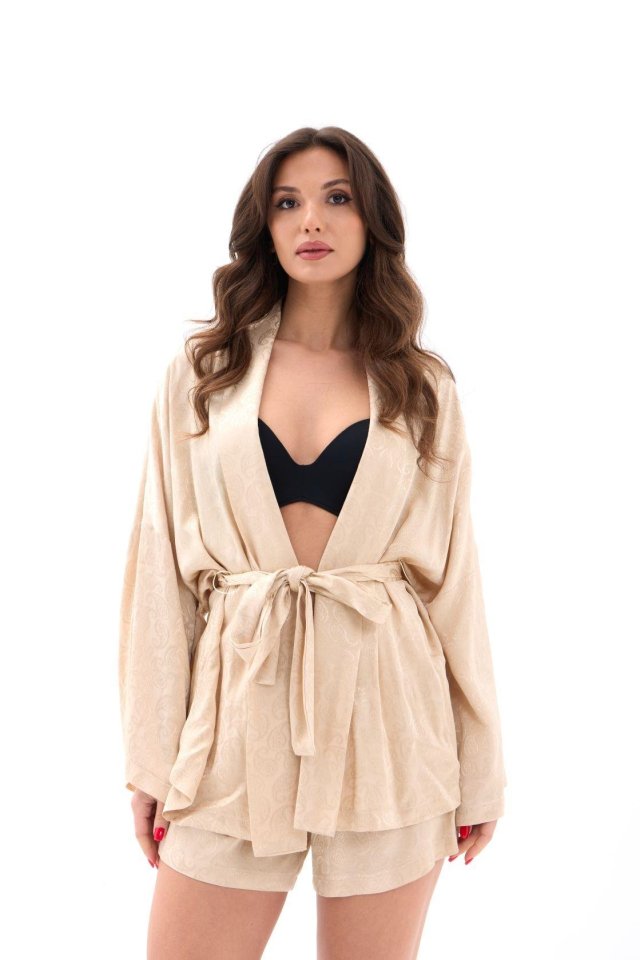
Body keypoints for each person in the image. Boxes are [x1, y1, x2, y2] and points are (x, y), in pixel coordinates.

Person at [118, 126, 507, 960]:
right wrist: (151, 758)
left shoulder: (423, 386)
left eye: (337, 198)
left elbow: (456, 585)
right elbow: (159, 573)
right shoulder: (203, 374)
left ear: (373, 220)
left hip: (390, 715)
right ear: (263, 226)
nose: (311, 221)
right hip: (234, 715)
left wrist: (481, 765)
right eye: (287, 203)